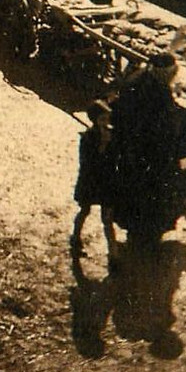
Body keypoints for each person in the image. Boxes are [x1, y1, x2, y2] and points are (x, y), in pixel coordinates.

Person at [108, 52, 186, 249]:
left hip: (138, 149)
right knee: (150, 191)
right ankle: (147, 232)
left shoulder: (139, 80)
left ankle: (140, 229)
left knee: (138, 191)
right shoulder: (149, 88)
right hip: (148, 151)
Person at [70, 100, 118, 265]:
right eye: (102, 119)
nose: (105, 123)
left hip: (105, 182)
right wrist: (103, 145)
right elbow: (87, 162)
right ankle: (75, 238)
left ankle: (113, 255)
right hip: (90, 181)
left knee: (107, 218)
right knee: (84, 211)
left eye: (107, 119)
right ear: (94, 120)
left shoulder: (112, 135)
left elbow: (114, 159)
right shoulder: (87, 138)